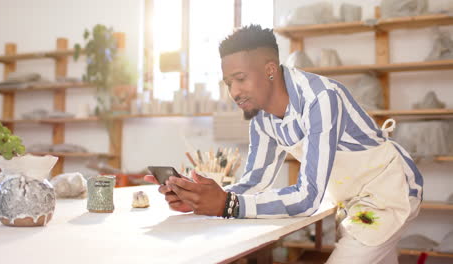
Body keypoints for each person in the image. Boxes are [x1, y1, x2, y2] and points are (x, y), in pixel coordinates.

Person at [144, 25, 423, 263]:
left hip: (387, 195)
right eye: (228, 83)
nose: (234, 92)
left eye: (240, 79)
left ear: (269, 70)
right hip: (351, 201)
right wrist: (199, 196)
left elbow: (308, 196)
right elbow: (255, 181)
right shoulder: (262, 118)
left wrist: (227, 204)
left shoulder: (320, 99)